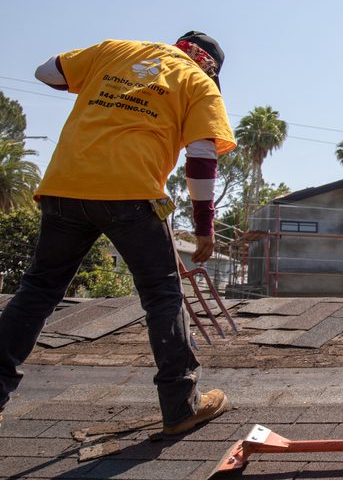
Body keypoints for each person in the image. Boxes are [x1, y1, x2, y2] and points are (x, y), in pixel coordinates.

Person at [0, 32, 237, 435]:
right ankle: (181, 406)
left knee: (38, 290)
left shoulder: (117, 50)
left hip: (65, 187)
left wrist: (104, 81)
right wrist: (203, 226)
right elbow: (200, 156)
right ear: (211, 67)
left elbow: (47, 73)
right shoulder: (198, 84)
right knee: (162, 295)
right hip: (131, 195)